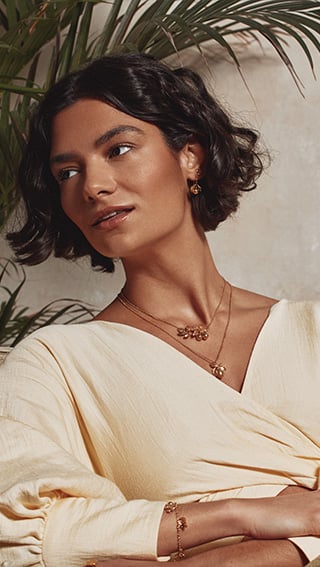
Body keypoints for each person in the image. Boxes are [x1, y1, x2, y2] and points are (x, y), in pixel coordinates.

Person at [0, 52, 320, 567]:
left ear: (189, 156)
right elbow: (27, 538)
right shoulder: (54, 363)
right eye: (68, 172)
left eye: (118, 149)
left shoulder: (313, 330)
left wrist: (274, 551)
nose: (93, 186)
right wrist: (241, 514)